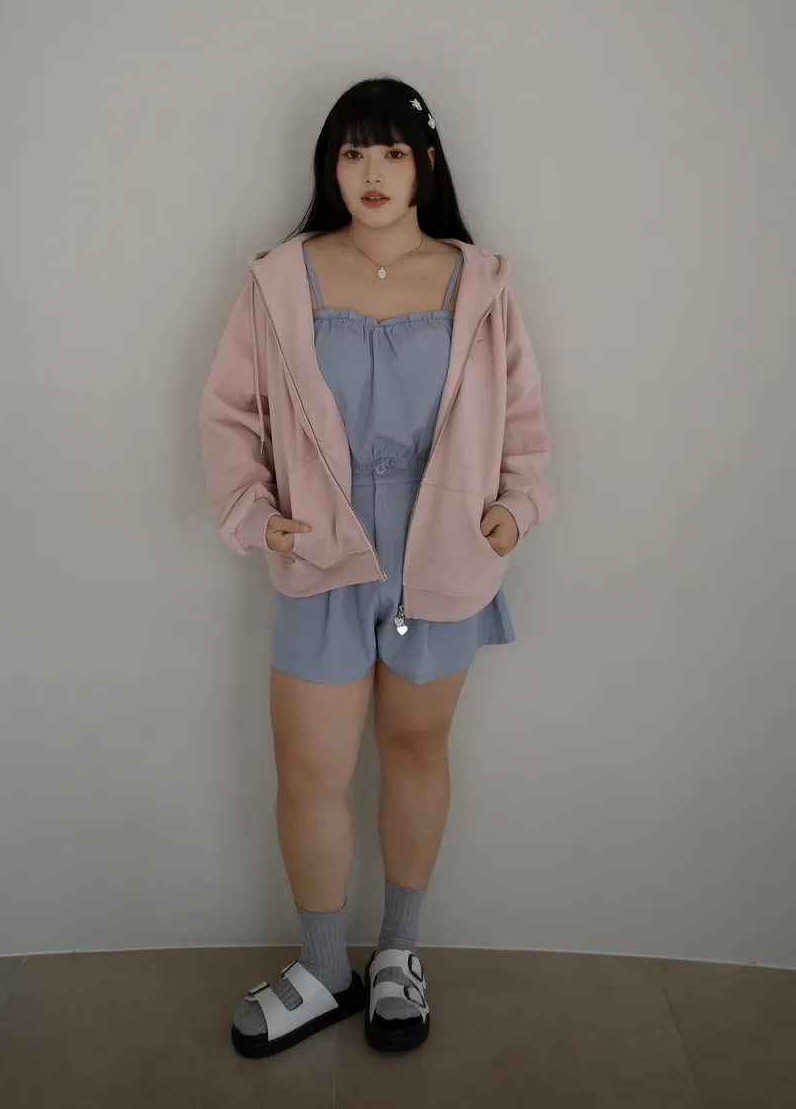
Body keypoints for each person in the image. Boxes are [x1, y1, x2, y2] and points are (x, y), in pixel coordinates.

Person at [199, 75, 554, 1059]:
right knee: (309, 769)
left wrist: (514, 513)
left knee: (417, 752)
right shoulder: (283, 278)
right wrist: (258, 517)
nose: (372, 172)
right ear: (330, 166)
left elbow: (524, 423)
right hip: (322, 550)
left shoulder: (479, 281)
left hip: (444, 548)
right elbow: (229, 415)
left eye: (392, 151)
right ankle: (323, 970)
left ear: (425, 164)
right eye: (352, 151)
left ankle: (399, 955)